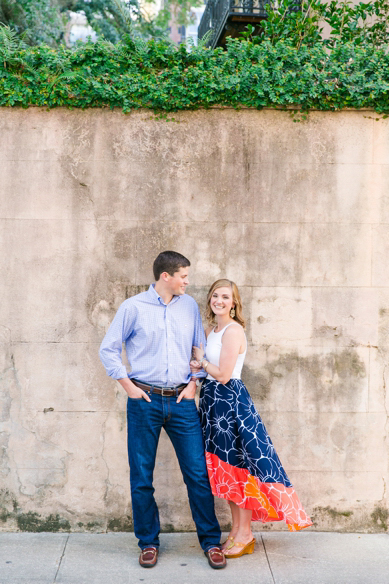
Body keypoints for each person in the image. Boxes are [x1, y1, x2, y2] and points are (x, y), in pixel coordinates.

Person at [99, 251, 226, 569]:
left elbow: (198, 346)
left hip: (182, 402)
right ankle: (148, 543)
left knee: (197, 475)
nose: (187, 281)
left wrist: (194, 384)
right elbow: (109, 348)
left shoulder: (189, 307)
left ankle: (211, 542)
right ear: (166, 276)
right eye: (183, 276)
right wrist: (129, 387)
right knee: (142, 477)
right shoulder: (133, 308)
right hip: (146, 401)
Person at [191, 278, 312, 558]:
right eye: (215, 296)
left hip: (230, 403)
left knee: (239, 470)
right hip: (212, 405)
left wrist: (201, 360)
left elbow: (222, 374)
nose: (219, 300)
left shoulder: (233, 331)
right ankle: (236, 530)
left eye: (225, 297)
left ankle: (245, 534)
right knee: (226, 472)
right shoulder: (211, 330)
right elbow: (205, 373)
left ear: (234, 303)